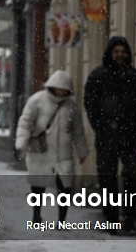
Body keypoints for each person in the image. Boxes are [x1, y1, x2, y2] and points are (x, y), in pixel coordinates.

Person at [83, 36, 136, 234]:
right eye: (116, 51)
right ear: (110, 52)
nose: (120, 55)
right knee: (107, 178)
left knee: (131, 177)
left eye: (123, 51)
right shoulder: (98, 76)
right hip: (107, 137)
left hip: (130, 136)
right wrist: (101, 126)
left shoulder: (135, 77)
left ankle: (129, 219)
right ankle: (110, 219)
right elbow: (90, 105)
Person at [15, 70, 88, 221]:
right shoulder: (37, 100)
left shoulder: (71, 106)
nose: (61, 91)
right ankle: (36, 215)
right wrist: (22, 141)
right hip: (41, 150)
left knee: (65, 186)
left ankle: (62, 219)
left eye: (64, 89)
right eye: (58, 88)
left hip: (63, 152)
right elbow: (25, 122)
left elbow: (78, 130)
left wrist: (82, 151)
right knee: (38, 185)